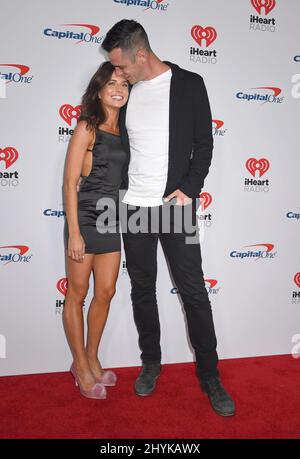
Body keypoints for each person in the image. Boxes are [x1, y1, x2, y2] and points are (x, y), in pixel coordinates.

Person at [102, 20, 235, 416]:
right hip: (134, 207)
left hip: (175, 208)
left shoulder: (190, 84)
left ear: (140, 54)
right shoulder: (125, 92)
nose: (119, 74)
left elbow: (204, 144)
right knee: (143, 290)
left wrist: (191, 188)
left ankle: (210, 376)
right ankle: (151, 363)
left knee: (193, 291)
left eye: (122, 66)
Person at [63, 61, 129, 399]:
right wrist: (74, 232)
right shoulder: (87, 127)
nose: (118, 89)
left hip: (111, 220)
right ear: (99, 90)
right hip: (85, 219)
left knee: (105, 292)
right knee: (77, 293)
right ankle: (80, 364)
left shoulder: (126, 131)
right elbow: (70, 182)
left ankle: (91, 356)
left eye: (124, 84)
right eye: (111, 83)